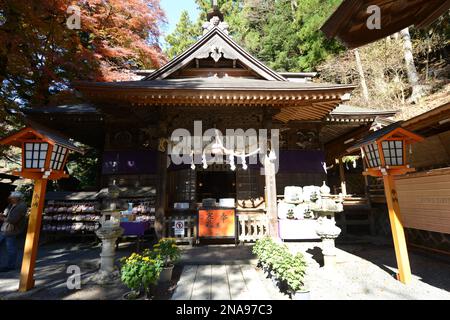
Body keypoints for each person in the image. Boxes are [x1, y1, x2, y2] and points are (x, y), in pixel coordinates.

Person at [0, 191, 28, 272]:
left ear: (17, 198)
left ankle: (10, 266)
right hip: (5, 228)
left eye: (12, 198)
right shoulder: (12, 204)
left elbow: (13, 220)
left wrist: (2, 218)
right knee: (10, 248)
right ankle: (9, 265)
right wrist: (3, 215)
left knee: (11, 248)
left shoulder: (21, 206)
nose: (10, 199)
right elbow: (6, 213)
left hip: (11, 230)